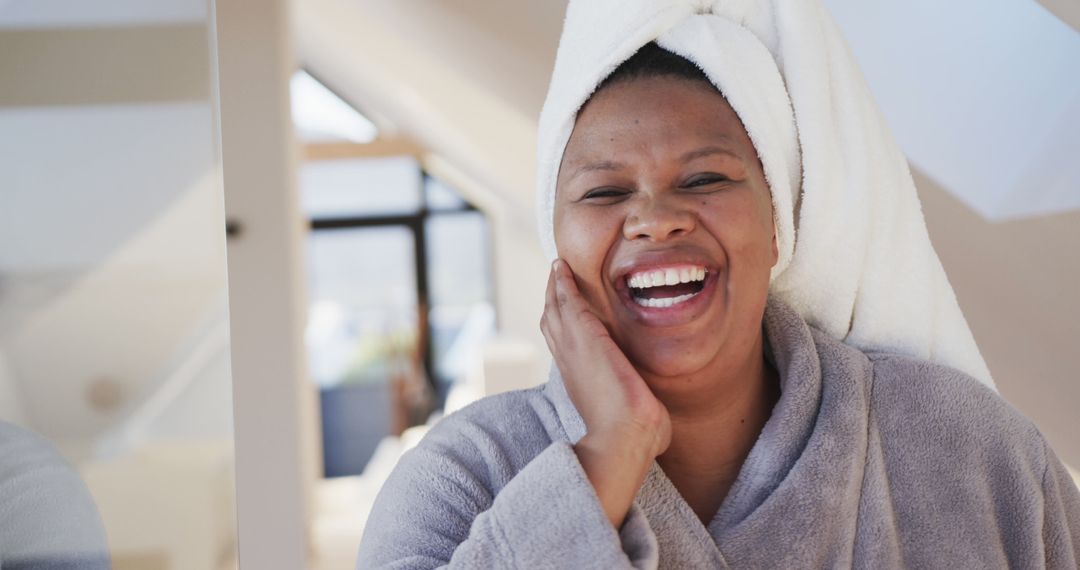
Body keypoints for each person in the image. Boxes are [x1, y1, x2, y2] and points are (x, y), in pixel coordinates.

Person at [356, 1, 1080, 568]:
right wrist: (610, 451)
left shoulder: (976, 455)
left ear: (780, 227)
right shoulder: (462, 478)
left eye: (704, 179)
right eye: (605, 192)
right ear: (558, 244)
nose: (655, 219)